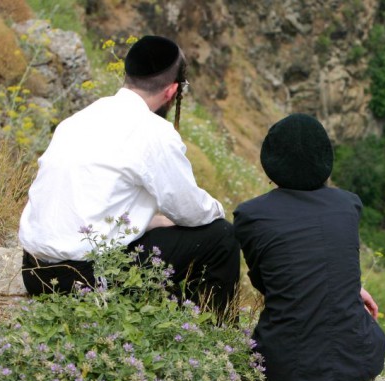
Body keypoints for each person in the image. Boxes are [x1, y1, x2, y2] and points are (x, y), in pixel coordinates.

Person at [18, 35, 240, 315]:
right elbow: (192, 211)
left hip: (34, 271)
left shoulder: (79, 119)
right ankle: (210, 334)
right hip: (83, 279)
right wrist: (218, 210)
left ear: (127, 75)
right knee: (220, 236)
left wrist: (148, 221)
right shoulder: (153, 132)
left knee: (161, 226)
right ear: (172, 92)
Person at [233, 114, 385, 381]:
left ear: (270, 163)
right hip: (360, 369)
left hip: (285, 377)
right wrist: (351, 290)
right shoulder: (348, 205)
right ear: (325, 160)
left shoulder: (250, 215)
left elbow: (269, 283)